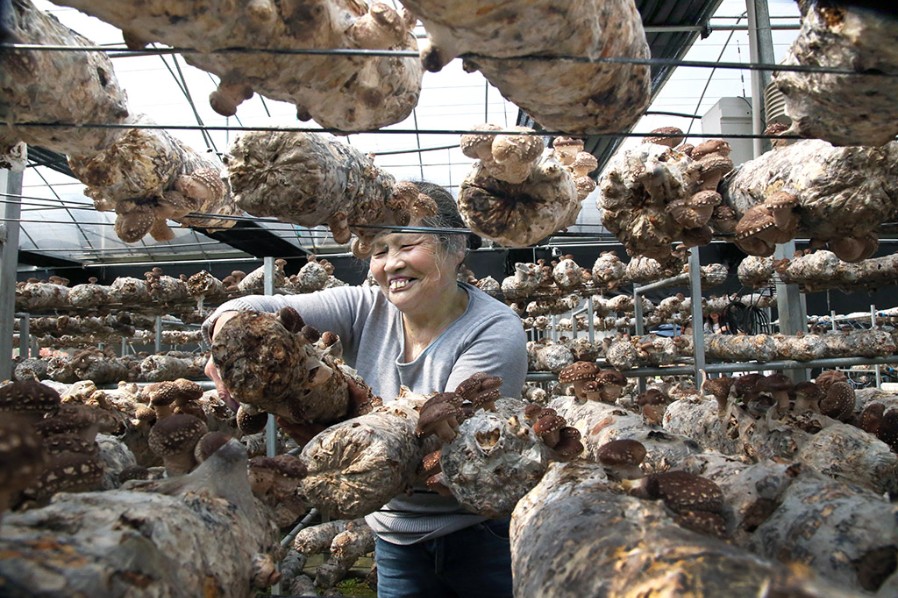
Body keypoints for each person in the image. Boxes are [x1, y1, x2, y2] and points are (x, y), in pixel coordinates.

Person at [202, 181, 528, 598]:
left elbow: (456, 447)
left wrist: (337, 425)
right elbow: (251, 307)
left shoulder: (494, 329)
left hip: (479, 534)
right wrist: (228, 335)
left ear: (456, 246)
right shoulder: (364, 306)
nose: (392, 263)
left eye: (408, 244)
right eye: (378, 250)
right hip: (393, 536)